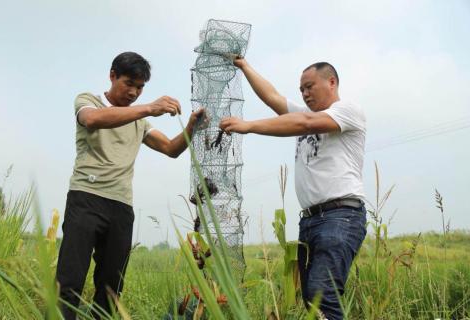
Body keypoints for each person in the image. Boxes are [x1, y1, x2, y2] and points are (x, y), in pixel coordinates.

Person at [56, 51, 204, 319]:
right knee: (69, 282)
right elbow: (91, 120)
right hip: (85, 199)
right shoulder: (89, 101)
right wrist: (149, 107)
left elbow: (171, 148)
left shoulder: (139, 120)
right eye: (129, 84)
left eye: (140, 87)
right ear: (112, 76)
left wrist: (191, 128)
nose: (134, 93)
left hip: (121, 207)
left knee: (111, 287)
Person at [220, 58, 367, 320]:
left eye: (310, 86)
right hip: (311, 221)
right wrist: (244, 66)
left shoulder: (347, 111)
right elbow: (273, 97)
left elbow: (305, 123)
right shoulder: (304, 114)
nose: (305, 93)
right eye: (301, 90)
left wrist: (248, 126)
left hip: (340, 216)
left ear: (331, 82)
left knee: (323, 294)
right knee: (312, 299)